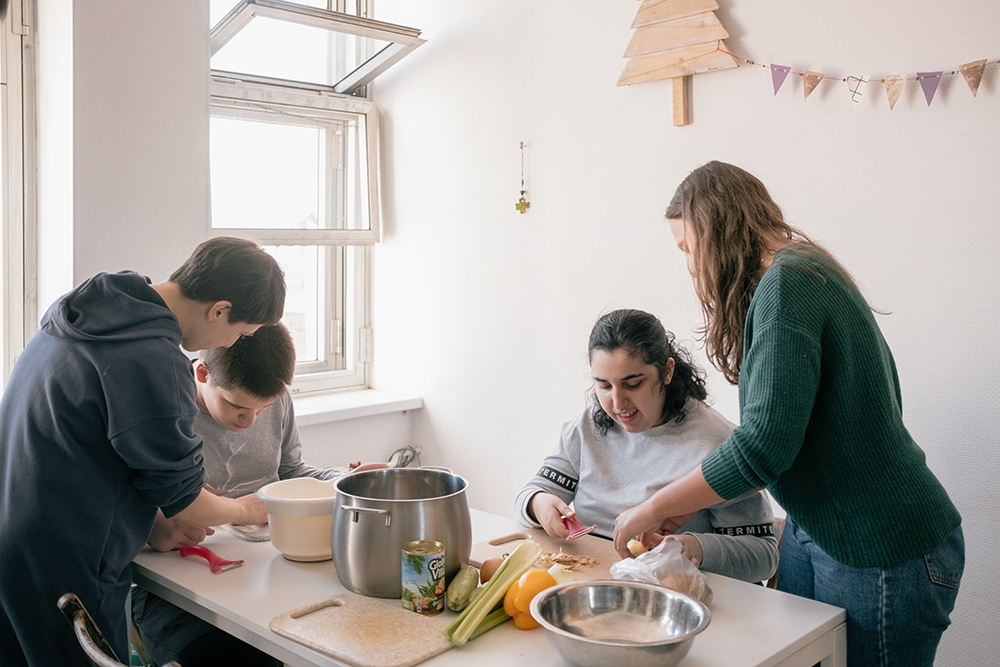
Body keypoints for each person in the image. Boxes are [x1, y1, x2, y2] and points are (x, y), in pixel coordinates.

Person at [611, 161, 964, 666]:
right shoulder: (803, 270)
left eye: (688, 249)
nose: (690, 267)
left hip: (881, 541)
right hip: (816, 525)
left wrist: (654, 506)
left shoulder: (789, 284)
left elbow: (763, 446)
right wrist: (686, 503)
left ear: (716, 229)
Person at [0, 237, 286, 667]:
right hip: (68, 560)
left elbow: (91, 445)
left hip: (16, 535)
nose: (229, 345)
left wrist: (151, 522)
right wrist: (247, 510)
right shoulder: (151, 357)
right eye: (239, 333)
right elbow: (187, 500)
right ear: (220, 310)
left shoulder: (94, 311)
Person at [132, 323, 387, 667]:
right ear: (203, 374)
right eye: (237, 406)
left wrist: (345, 480)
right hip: (173, 590)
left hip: (266, 576)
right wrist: (155, 526)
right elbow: (124, 504)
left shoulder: (276, 399)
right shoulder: (164, 413)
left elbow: (292, 473)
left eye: (263, 408)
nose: (250, 420)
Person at [516, 308, 778, 584]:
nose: (617, 404)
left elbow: (763, 557)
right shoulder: (588, 425)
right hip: (589, 584)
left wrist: (694, 548)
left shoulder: (716, 443)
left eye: (633, 384)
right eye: (604, 386)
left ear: (667, 371)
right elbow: (532, 492)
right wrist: (540, 505)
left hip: (671, 598)